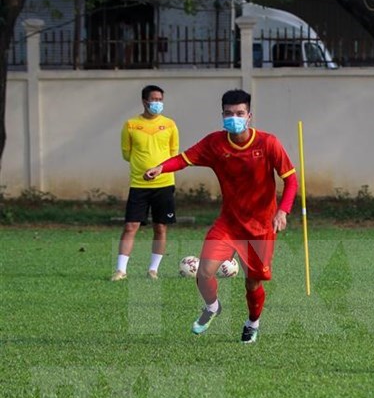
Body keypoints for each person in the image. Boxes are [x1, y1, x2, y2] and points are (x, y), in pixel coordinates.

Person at [143, 89, 298, 343]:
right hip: (228, 223)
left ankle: (252, 323)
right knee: (204, 271)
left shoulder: (268, 143)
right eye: (228, 113)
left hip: (260, 228)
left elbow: (291, 181)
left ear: (249, 115)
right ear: (222, 115)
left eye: (239, 113)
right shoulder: (215, 143)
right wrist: (161, 168)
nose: (233, 118)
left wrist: (283, 211)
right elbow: (184, 159)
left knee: (252, 285)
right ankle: (212, 306)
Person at [111, 84, 179, 281]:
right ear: (144, 101)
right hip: (139, 185)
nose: (157, 103)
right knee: (131, 226)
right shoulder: (131, 125)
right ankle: (121, 270)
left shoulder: (170, 125)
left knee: (161, 227)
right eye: (154, 99)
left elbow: (174, 155)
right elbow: (126, 153)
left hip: (164, 184)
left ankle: (153, 270)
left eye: (160, 100)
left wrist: (159, 169)